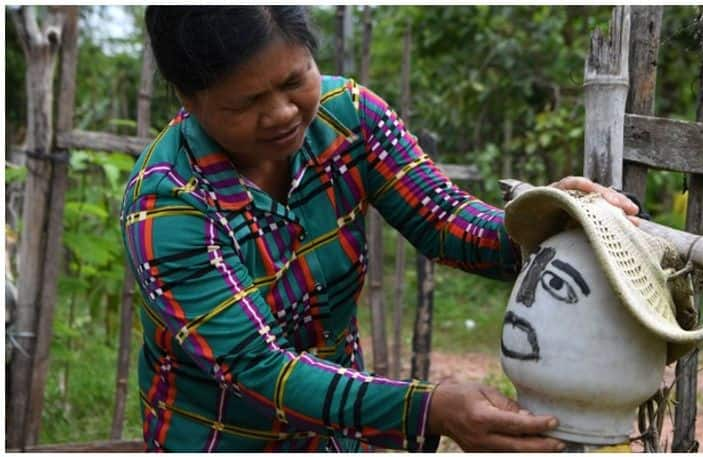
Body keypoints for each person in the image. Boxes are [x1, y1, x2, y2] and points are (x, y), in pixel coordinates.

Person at [121, 6, 640, 452]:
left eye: (294, 80)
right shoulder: (166, 205)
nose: (280, 113)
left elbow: (444, 219)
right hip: (219, 439)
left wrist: (545, 221)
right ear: (188, 100)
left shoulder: (350, 119)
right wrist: (427, 410)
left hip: (338, 439)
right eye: (245, 104)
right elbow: (258, 368)